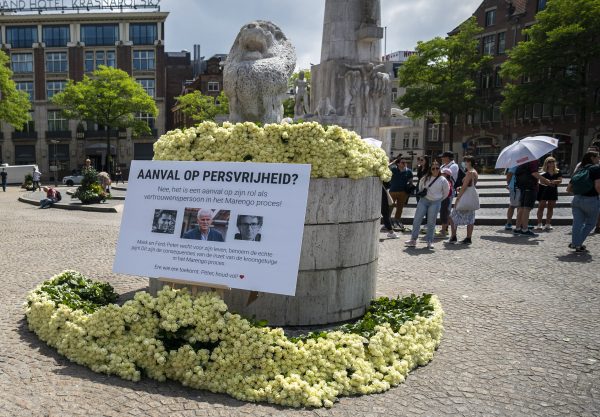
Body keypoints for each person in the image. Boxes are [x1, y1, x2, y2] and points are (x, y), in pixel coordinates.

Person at [405, 161, 449, 249]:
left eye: (437, 168)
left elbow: (446, 193)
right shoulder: (425, 178)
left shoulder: (443, 180)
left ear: (439, 169)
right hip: (424, 201)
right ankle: (413, 239)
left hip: (435, 202)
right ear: (430, 169)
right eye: (433, 168)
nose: (435, 170)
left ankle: (430, 241)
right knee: (417, 220)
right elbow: (420, 188)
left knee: (431, 222)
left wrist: (439, 199)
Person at [567, 151, 600, 252]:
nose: (598, 159)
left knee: (577, 223)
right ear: (592, 158)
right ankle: (577, 243)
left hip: (576, 199)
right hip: (591, 199)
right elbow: (597, 186)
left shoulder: (579, 169)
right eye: (597, 157)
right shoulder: (596, 168)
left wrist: (580, 193)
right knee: (591, 223)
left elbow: (568, 189)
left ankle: (576, 244)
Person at [513, 159, 552, 236]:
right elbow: (534, 173)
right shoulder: (533, 160)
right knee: (526, 209)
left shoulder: (523, 160)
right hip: (530, 187)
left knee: (521, 208)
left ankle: (517, 228)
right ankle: (525, 229)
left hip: (523, 187)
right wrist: (545, 180)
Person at [448, 156, 479, 245]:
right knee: (470, 218)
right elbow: (470, 185)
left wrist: (458, 198)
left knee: (452, 216)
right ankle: (468, 238)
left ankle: (453, 236)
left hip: (465, 197)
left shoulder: (469, 173)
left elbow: (465, 186)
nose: (464, 163)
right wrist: (461, 187)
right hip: (470, 198)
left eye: (465, 161)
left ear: (469, 162)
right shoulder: (475, 172)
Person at [535, 157, 562, 231]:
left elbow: (560, 181)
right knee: (541, 207)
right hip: (543, 190)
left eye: (553, 161)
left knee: (550, 208)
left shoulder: (557, 171)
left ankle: (548, 224)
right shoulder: (542, 171)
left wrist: (553, 181)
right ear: (546, 163)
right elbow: (539, 181)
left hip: (553, 190)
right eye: (549, 162)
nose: (551, 163)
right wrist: (547, 182)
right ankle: (539, 224)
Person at [437, 151, 459, 237]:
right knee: (443, 209)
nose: (442, 158)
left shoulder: (454, 166)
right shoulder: (443, 166)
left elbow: (445, 175)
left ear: (447, 157)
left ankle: (444, 230)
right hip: (441, 190)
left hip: (449, 190)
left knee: (446, 209)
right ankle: (444, 228)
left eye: (443, 157)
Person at [388, 157, 413, 231]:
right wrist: (392, 162)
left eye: (405, 162)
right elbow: (386, 168)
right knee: (390, 207)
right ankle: (388, 221)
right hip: (393, 191)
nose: (405, 164)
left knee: (400, 208)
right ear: (398, 163)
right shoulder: (393, 169)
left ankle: (397, 220)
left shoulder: (408, 171)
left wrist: (409, 184)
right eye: (402, 162)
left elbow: (411, 180)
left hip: (403, 192)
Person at [504, 166, 519, 230]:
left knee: (520, 206)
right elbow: (509, 174)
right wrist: (509, 184)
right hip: (515, 187)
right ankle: (509, 223)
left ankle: (521, 222)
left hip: (521, 187)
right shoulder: (515, 164)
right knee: (512, 205)